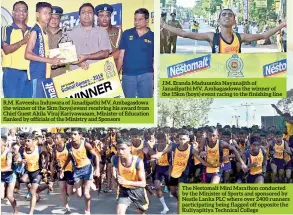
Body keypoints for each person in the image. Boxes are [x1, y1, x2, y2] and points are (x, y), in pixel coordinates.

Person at [161, 8, 286, 53]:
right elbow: (184, 33)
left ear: (234, 21)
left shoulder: (240, 37)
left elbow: (264, 35)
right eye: (224, 14)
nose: (227, 16)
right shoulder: (211, 37)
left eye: (230, 15)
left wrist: (283, 24)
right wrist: (163, 25)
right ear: (219, 21)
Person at [25, 2, 62, 98]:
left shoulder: (43, 31)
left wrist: (53, 59)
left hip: (46, 74)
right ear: (38, 15)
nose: (48, 16)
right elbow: (27, 54)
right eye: (45, 13)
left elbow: (43, 53)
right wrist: (49, 60)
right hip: (37, 74)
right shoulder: (35, 30)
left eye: (49, 13)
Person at [61, 128, 100, 215]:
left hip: (87, 169)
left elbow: (96, 155)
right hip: (77, 170)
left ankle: (87, 210)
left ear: (80, 136)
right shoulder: (68, 146)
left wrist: (97, 169)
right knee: (79, 195)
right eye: (72, 134)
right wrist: (63, 168)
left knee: (86, 194)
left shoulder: (86, 144)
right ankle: (86, 184)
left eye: (75, 134)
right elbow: (70, 157)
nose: (72, 136)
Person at [117, 8, 154, 98]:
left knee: (146, 105)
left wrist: (154, 78)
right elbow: (121, 56)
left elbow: (154, 59)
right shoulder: (126, 33)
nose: (136, 22)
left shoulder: (153, 36)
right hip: (128, 75)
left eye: (140, 19)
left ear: (147, 21)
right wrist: (117, 74)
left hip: (146, 75)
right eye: (135, 19)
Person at [68, 3, 111, 71]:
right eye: (83, 12)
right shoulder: (70, 32)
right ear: (79, 16)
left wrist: (86, 57)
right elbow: (66, 53)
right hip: (76, 74)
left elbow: (105, 53)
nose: (87, 15)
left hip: (97, 74)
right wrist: (78, 62)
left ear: (94, 16)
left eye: (90, 12)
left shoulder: (102, 32)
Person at [1, 1, 31, 98]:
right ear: (13, 12)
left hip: (29, 73)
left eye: (24, 11)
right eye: (18, 10)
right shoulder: (7, 29)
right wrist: (23, 41)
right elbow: (6, 49)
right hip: (12, 73)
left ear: (27, 13)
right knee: (12, 107)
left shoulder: (32, 31)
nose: (21, 13)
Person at [112, 139, 149, 214]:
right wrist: (114, 183)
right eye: (118, 149)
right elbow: (113, 170)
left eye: (123, 149)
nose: (120, 152)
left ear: (130, 148)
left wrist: (126, 182)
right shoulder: (115, 159)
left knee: (140, 212)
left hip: (138, 190)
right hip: (124, 190)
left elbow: (143, 183)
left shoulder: (138, 162)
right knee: (120, 213)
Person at [50, 133, 74, 214]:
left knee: (70, 192)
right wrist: (52, 174)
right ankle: (67, 208)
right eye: (54, 138)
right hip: (61, 171)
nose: (55, 140)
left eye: (57, 138)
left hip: (70, 170)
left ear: (62, 139)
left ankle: (69, 193)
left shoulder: (68, 147)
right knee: (61, 189)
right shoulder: (54, 149)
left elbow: (71, 157)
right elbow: (53, 161)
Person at [47, 6, 66, 78]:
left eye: (57, 18)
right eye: (51, 17)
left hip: (60, 74)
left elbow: (69, 55)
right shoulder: (40, 32)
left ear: (60, 19)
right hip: (43, 74)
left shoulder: (65, 34)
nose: (54, 20)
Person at [1, 136, 19, 214]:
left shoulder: (8, 153)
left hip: (10, 175)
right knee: (1, 195)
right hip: (1, 176)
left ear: (3, 143)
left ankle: (15, 209)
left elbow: (8, 167)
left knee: (9, 196)